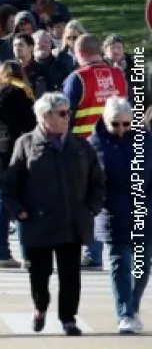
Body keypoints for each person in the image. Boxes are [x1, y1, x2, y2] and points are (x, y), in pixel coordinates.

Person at [3, 92, 105, 336]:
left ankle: (68, 318)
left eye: (68, 112)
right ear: (44, 116)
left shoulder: (81, 145)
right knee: (40, 273)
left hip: (72, 221)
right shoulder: (26, 144)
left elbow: (98, 181)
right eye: (62, 113)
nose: (67, 117)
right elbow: (10, 185)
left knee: (71, 274)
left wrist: (92, 207)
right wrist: (19, 211)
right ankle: (40, 307)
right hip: (38, 221)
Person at [63, 33, 126, 269]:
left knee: (88, 201)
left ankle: (93, 252)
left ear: (78, 53)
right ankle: (119, 248)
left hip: (84, 148)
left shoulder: (77, 78)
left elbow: (65, 115)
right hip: (118, 145)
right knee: (114, 198)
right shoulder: (118, 75)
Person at [89, 96, 150, 333]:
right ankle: (124, 313)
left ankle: (132, 306)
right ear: (106, 121)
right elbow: (89, 181)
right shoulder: (94, 144)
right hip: (111, 212)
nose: (121, 129)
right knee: (119, 263)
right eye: (115, 124)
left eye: (126, 124)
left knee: (142, 266)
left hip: (143, 211)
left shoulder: (145, 141)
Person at [0, 61, 36, 268]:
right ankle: (28, 256)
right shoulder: (21, 94)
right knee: (20, 205)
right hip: (14, 154)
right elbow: (30, 125)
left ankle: (1, 254)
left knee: (0, 208)